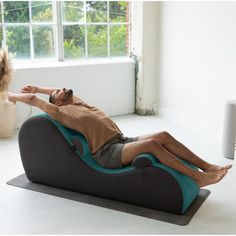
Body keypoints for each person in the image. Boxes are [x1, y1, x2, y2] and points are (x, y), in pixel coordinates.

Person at [8, 85, 232, 187]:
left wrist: (41, 88)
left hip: (120, 141)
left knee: (162, 134)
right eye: (57, 92)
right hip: (106, 153)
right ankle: (197, 178)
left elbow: (57, 92)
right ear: (56, 102)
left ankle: (207, 166)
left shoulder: (77, 102)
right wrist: (14, 96)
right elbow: (36, 102)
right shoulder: (61, 112)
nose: (62, 89)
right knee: (153, 144)